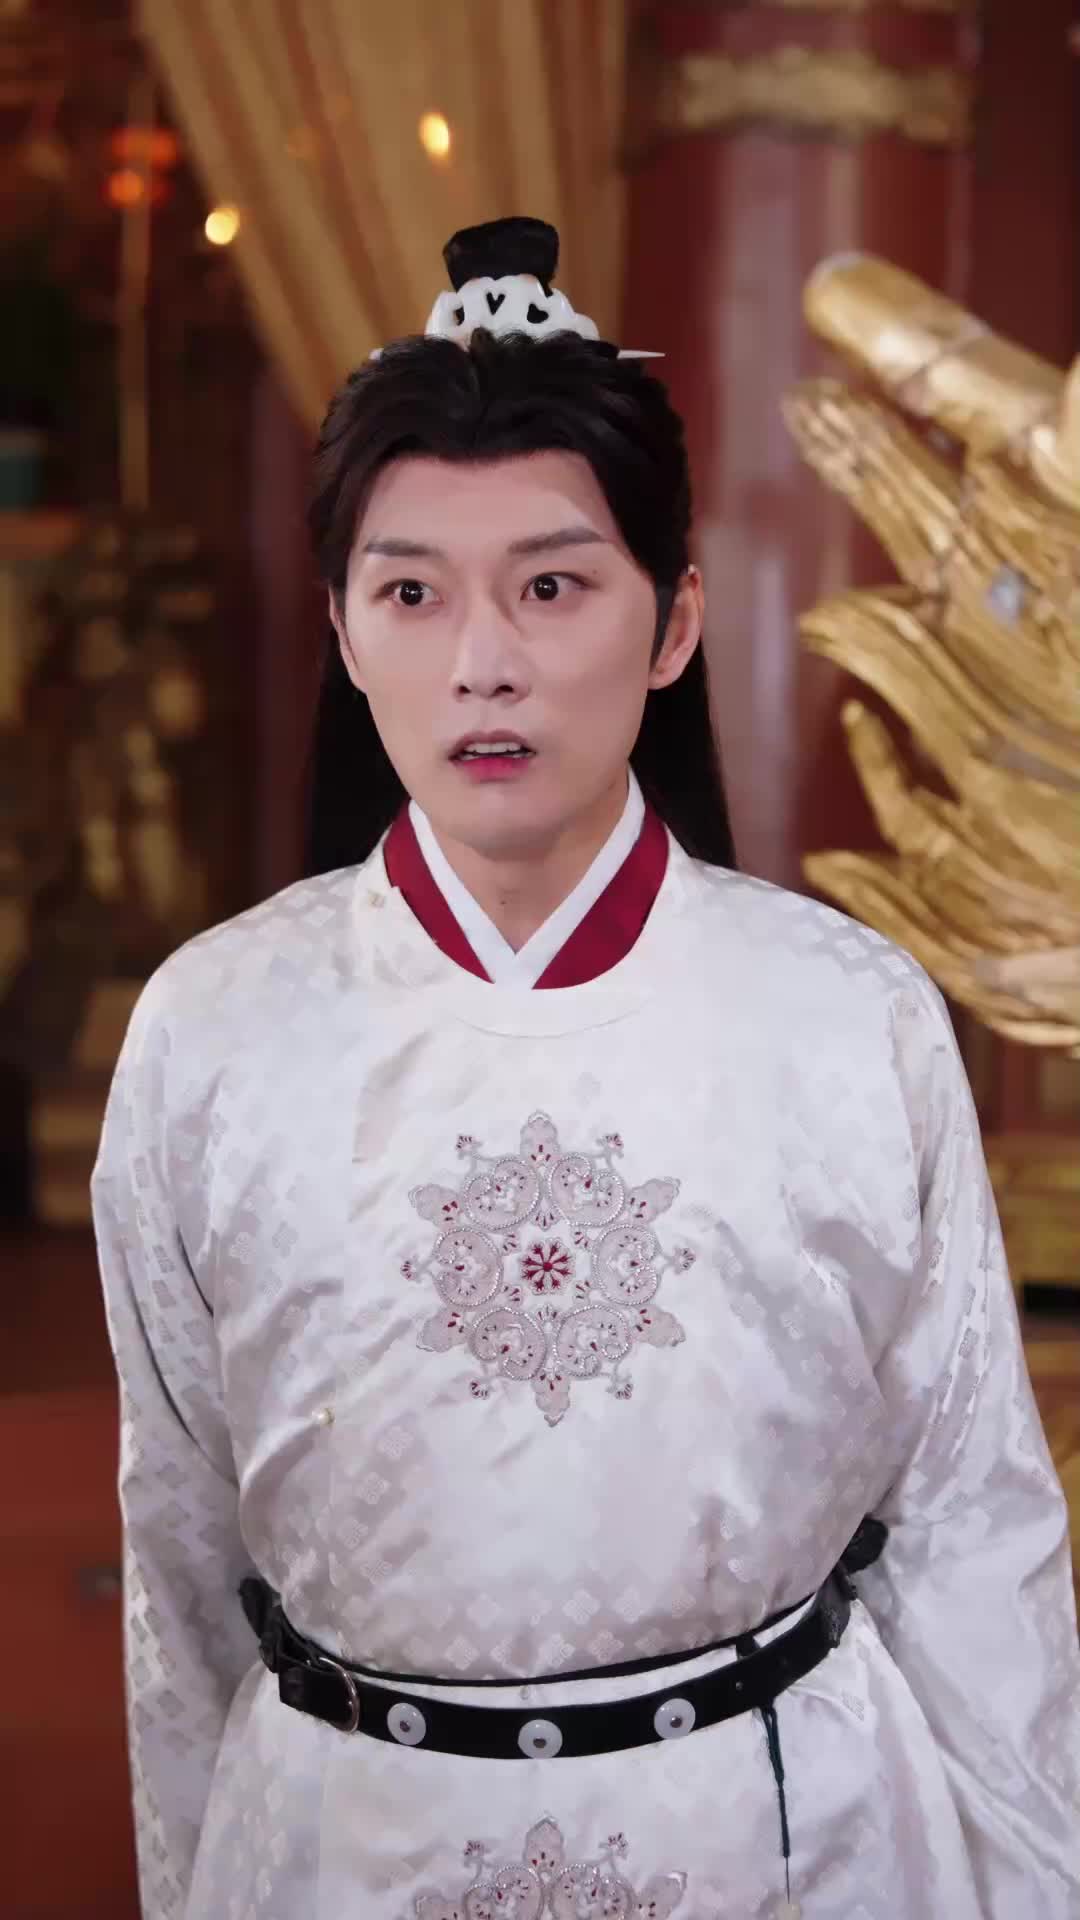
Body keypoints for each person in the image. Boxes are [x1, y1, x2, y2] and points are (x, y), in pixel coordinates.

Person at [93, 217, 1079, 1920]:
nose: (483, 660)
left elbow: (973, 1530)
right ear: (342, 628)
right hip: (340, 1848)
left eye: (552, 586)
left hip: (791, 1847)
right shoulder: (214, 1030)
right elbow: (178, 1562)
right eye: (412, 592)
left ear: (674, 620)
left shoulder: (851, 1017)